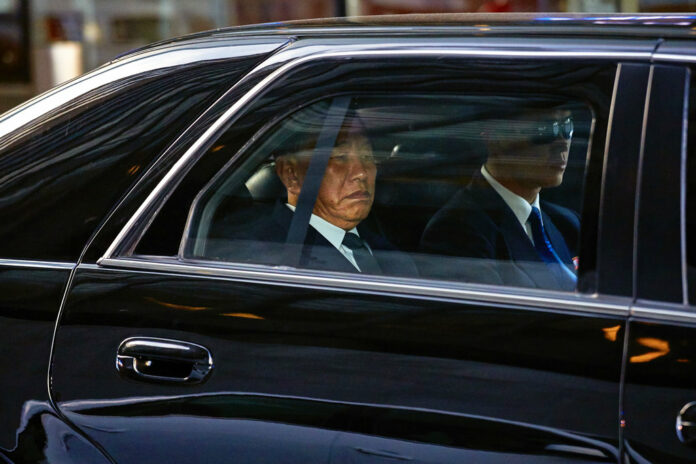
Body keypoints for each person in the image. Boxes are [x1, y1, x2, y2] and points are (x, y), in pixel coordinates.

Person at [209, 120, 418, 277]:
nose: (362, 172)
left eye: (367, 156)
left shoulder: (389, 249)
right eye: (340, 157)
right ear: (291, 174)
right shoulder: (255, 257)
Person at [419, 107, 579, 290]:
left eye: (567, 127)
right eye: (543, 130)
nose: (562, 141)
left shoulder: (567, 223)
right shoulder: (455, 232)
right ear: (495, 139)